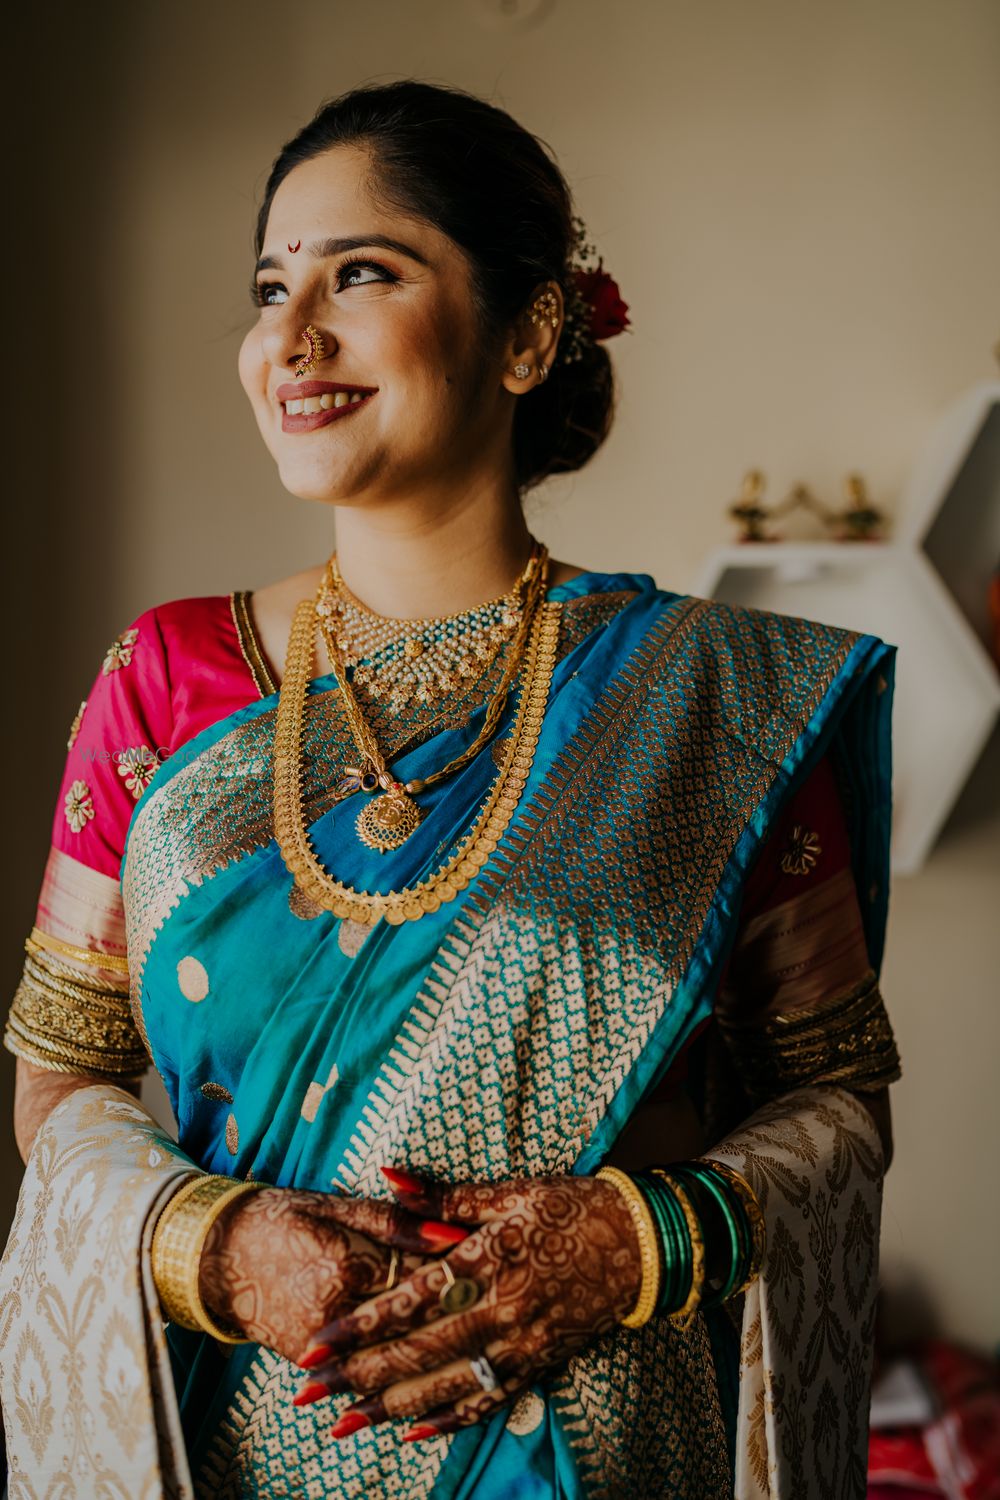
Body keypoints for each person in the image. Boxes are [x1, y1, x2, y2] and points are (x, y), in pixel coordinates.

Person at [0, 80, 900, 1499]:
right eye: (268, 285)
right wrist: (221, 1251)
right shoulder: (168, 682)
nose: (289, 337)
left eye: (361, 272)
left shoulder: (709, 705)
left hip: (608, 1454)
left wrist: (637, 1243)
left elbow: (835, 1099)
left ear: (531, 332)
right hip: (242, 1438)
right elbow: (61, 1084)